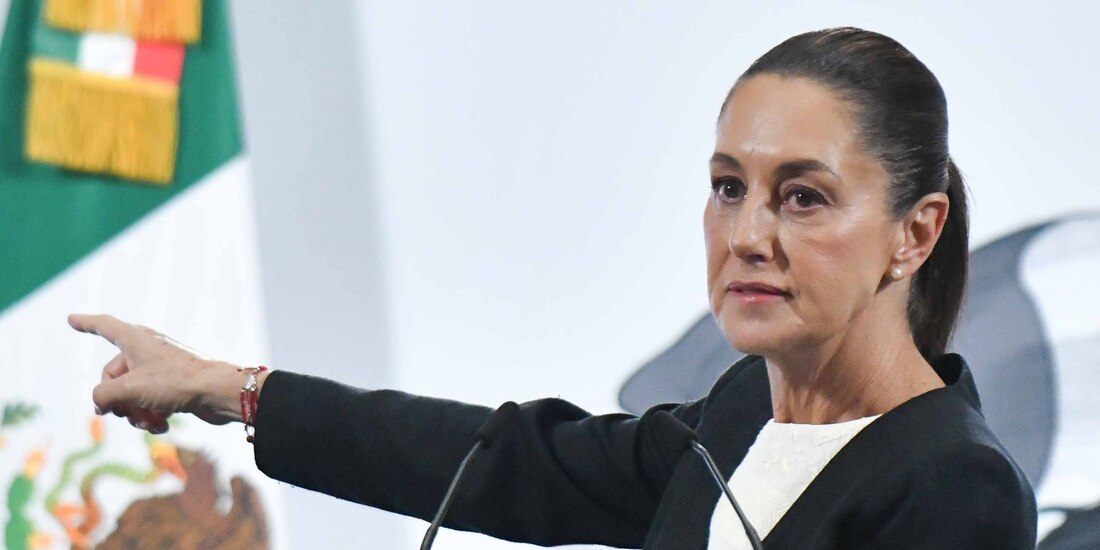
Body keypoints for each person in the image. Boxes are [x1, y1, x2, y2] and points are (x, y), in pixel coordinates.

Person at [69, 27, 1037, 548]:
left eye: (803, 198)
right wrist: (226, 386)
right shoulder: (742, 415)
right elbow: (504, 461)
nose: (745, 235)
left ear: (915, 232)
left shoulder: (953, 486)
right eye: (726, 186)